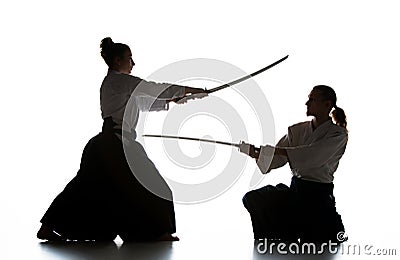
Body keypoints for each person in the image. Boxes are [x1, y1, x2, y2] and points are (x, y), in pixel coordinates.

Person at [37, 37, 207, 242]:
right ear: (118, 61)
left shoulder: (120, 84)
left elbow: (146, 101)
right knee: (152, 184)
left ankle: (49, 227)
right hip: (114, 145)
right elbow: (153, 88)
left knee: (86, 186)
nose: (133, 63)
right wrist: (189, 90)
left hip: (107, 145)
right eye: (129, 58)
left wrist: (178, 97)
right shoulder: (120, 81)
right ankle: (159, 231)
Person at [240, 85, 348, 243]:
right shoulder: (297, 130)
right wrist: (254, 153)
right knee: (253, 199)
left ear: (327, 104)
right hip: (296, 191)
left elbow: (311, 156)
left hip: (318, 197)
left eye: (312, 99)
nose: (307, 103)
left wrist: (272, 150)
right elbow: (273, 161)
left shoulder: (338, 134)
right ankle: (279, 240)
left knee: (317, 238)